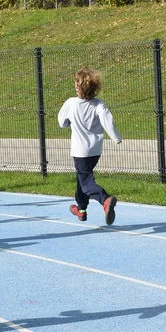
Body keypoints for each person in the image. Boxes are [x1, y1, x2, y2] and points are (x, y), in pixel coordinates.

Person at [58, 68, 121, 225]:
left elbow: (62, 123)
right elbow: (108, 120)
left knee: (86, 182)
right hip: (95, 150)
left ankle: (104, 200)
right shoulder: (98, 104)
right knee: (82, 177)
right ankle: (81, 208)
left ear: (79, 86)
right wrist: (116, 137)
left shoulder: (70, 103)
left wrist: (70, 121)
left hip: (80, 151)